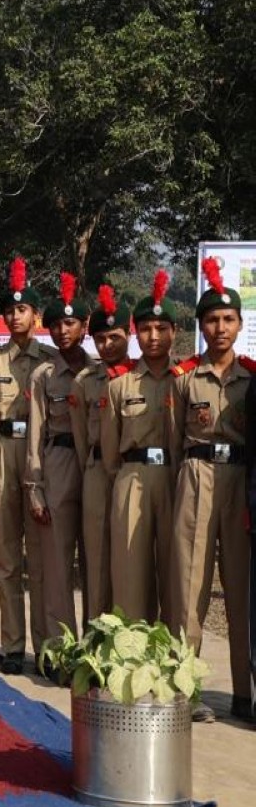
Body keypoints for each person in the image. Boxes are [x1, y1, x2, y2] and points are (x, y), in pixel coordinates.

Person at [170, 259, 253, 721]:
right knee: (190, 590)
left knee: (240, 591)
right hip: (196, 478)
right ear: (201, 326)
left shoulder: (252, 377)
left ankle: (244, 694)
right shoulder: (185, 378)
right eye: (212, 320)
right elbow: (169, 438)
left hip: (239, 483)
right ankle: (189, 688)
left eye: (228, 319)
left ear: (240, 324)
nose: (220, 327)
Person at [0, 258, 52, 676]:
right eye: (9, 310)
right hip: (3, 454)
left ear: (36, 316)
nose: (14, 315)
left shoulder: (51, 361)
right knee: (6, 561)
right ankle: (14, 645)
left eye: (21, 310)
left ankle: (46, 647)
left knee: (40, 560)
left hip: (38, 458)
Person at [101, 271, 177, 631]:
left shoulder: (186, 379)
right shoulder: (120, 384)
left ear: (174, 332)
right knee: (130, 573)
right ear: (136, 334)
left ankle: (175, 658)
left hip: (176, 480)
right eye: (146, 329)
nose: (153, 336)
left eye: (161, 328)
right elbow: (109, 449)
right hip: (130, 478)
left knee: (176, 573)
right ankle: (131, 654)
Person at [25, 274, 90, 649]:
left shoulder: (98, 372)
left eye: (70, 323)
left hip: (93, 468)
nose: (63, 331)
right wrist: (34, 488)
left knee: (96, 566)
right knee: (57, 566)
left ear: (84, 326)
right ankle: (60, 650)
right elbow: (35, 434)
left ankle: (97, 648)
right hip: (58, 464)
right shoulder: (43, 375)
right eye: (55, 325)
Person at [73, 285, 130, 625]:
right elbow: (81, 437)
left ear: (128, 334)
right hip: (95, 471)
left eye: (114, 338)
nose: (107, 346)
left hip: (132, 470)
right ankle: (95, 639)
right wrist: (91, 470)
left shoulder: (141, 376)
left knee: (130, 559)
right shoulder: (84, 381)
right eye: (100, 340)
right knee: (95, 559)